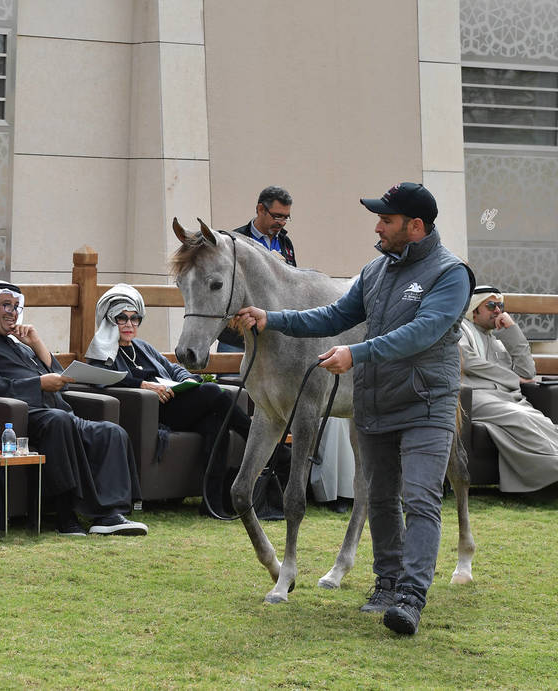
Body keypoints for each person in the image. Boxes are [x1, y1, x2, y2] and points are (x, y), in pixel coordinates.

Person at [236, 182, 474, 636]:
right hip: (376, 400)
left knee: (420, 498)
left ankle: (410, 595)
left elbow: (422, 333)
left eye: (387, 219)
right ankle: (386, 583)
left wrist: (356, 355)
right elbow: (333, 316)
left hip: (426, 401)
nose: (378, 226)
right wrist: (273, 318)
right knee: (380, 499)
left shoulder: (451, 274)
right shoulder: (375, 271)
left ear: (415, 226)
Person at [0, 281, 147, 536]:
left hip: (57, 413)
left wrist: (36, 342)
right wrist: (38, 384)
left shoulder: (19, 346)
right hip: (22, 419)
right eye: (5, 305)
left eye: (16, 306)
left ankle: (109, 515)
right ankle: (65, 516)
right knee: (59, 421)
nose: (13, 312)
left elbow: (62, 381)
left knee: (110, 432)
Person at [84, 284, 258, 512]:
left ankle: (211, 502)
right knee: (214, 392)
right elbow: (100, 377)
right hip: (156, 411)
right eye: (122, 318)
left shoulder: (142, 347)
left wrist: (189, 381)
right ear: (108, 319)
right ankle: (254, 434)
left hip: (178, 403)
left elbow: (173, 369)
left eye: (135, 318)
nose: (129, 325)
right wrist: (143, 385)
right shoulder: (102, 351)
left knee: (217, 424)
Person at [459, 285, 558, 492]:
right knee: (520, 416)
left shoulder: (498, 340)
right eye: (491, 305)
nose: (498, 310)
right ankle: (552, 472)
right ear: (474, 310)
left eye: (501, 305)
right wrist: (513, 379)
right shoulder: (460, 331)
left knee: (540, 420)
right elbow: (467, 361)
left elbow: (528, 372)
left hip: (506, 399)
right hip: (477, 397)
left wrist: (513, 331)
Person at [218, 186, 297, 353]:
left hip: (274, 333)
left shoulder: (285, 243)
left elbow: (293, 284)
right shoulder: (234, 242)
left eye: (286, 217)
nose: (281, 222)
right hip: (238, 336)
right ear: (261, 209)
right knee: (229, 379)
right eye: (277, 216)